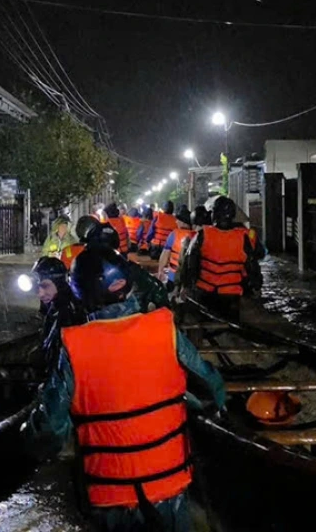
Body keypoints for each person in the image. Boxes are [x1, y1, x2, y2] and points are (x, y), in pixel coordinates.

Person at [26, 246, 226, 532]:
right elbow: (212, 388)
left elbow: (50, 430)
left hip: (110, 496)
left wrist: (30, 436)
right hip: (170, 484)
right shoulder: (164, 328)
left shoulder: (73, 346)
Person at [182, 196, 264, 323]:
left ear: (214, 215)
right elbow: (253, 266)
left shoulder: (202, 235)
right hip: (232, 297)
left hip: (205, 295)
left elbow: (189, 264)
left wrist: (186, 286)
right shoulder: (244, 237)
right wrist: (255, 288)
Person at [28, 256, 87, 371]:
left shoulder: (71, 312)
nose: (40, 294)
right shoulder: (55, 305)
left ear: (59, 283)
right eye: (37, 287)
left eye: (45, 286)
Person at [157, 207, 195, 285]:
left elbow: (165, 254)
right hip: (190, 279)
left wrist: (160, 270)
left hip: (173, 276)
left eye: (178, 220)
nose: (176, 222)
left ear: (184, 223)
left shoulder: (174, 234)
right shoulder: (196, 235)